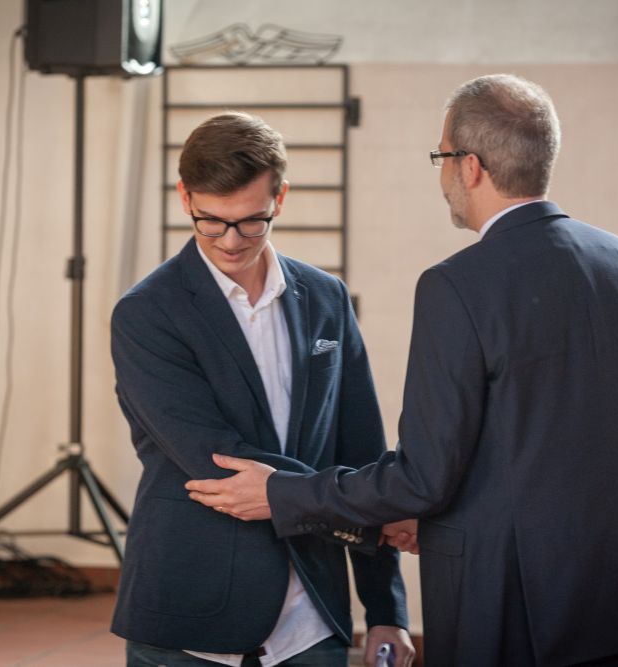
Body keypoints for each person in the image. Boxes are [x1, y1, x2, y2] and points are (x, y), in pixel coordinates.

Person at [185, 75, 618, 666]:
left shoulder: (459, 284)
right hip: (615, 581)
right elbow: (603, 427)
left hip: (510, 592)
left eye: (441, 157)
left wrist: (282, 492)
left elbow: (424, 477)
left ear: (469, 166)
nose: (442, 176)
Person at [109, 112, 414, 667]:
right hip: (190, 614)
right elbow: (219, 462)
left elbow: (361, 450)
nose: (231, 241)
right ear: (185, 197)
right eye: (211, 221)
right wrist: (368, 518)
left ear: (281, 198)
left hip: (312, 619)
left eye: (252, 221)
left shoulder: (326, 297)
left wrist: (385, 610)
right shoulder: (147, 313)